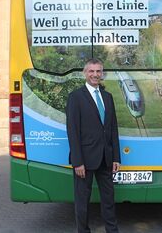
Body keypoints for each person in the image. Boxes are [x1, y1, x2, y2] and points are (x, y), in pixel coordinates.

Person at [66, 58, 121, 233]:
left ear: (102, 74)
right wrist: (77, 162)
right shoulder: (76, 97)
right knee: (82, 201)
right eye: (92, 71)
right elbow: (72, 131)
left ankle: (112, 231)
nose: (95, 75)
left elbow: (113, 129)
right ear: (85, 73)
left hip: (106, 158)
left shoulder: (108, 97)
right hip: (84, 160)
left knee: (109, 200)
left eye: (98, 71)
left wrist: (116, 158)